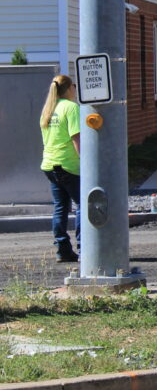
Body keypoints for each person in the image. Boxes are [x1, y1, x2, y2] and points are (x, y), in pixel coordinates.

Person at [40, 74, 81, 263]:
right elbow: (76, 138)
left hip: (50, 165)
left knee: (60, 208)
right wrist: (86, 162)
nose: (75, 89)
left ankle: (63, 249)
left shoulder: (48, 109)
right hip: (68, 165)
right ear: (69, 88)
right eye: (74, 85)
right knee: (83, 206)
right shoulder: (71, 107)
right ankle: (84, 246)